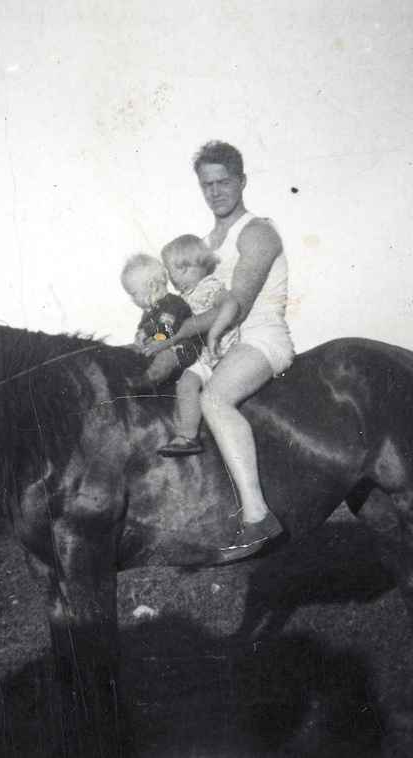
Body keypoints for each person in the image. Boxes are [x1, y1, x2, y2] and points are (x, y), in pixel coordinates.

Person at [145, 141, 294, 553]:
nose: (214, 192)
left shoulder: (258, 232)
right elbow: (180, 305)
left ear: (242, 181)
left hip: (259, 338)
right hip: (215, 348)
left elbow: (237, 302)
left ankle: (258, 517)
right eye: (206, 184)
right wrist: (154, 335)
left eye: (223, 182)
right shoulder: (202, 246)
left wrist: (175, 336)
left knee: (214, 398)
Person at [156, 234, 239, 457]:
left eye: (171, 270)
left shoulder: (208, 287)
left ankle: (189, 435)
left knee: (191, 386)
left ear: (183, 267)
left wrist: (215, 330)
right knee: (182, 383)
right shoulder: (184, 297)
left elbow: (231, 304)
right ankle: (188, 434)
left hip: (219, 353)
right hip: (200, 356)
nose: (170, 277)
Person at [120, 254, 197, 386]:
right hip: (156, 348)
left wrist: (147, 331)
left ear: (153, 287)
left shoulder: (173, 303)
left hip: (180, 349)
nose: (131, 299)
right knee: (126, 351)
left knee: (165, 358)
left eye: (133, 294)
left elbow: (167, 326)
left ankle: (148, 380)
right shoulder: (149, 313)